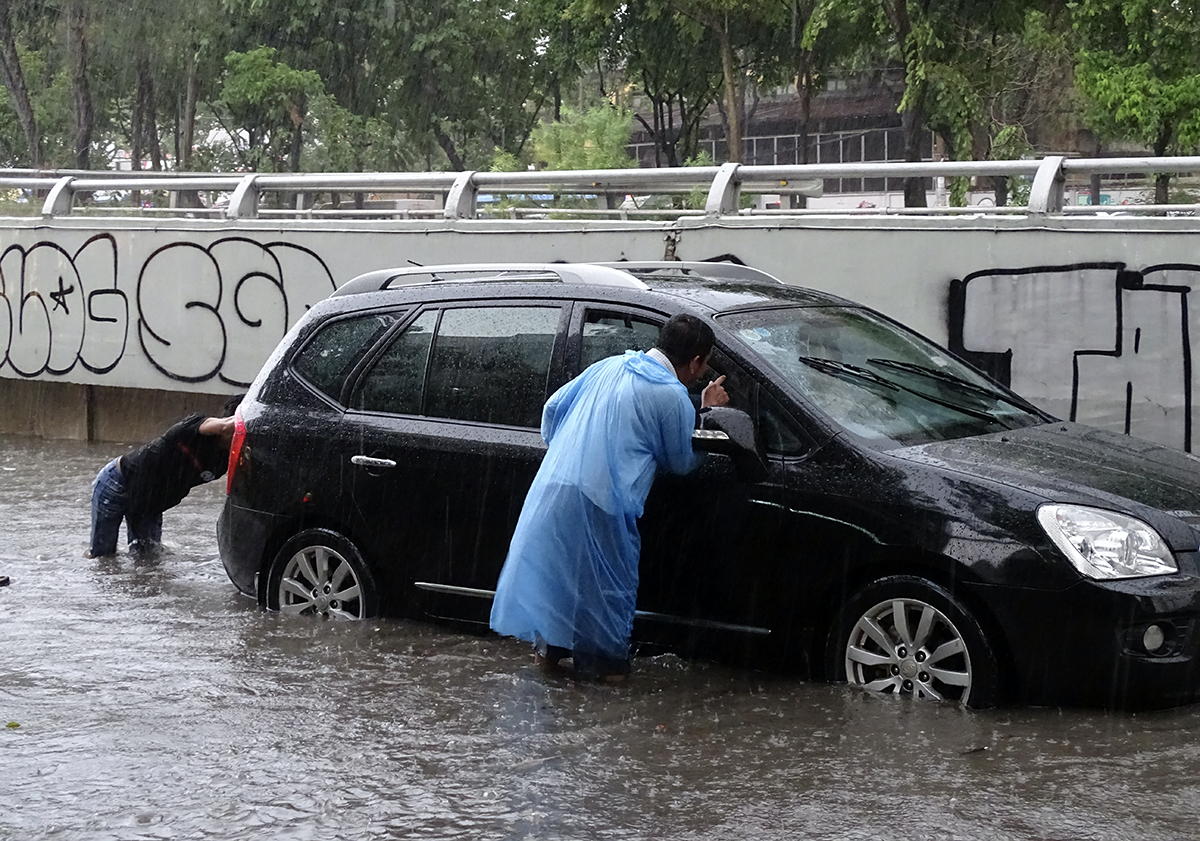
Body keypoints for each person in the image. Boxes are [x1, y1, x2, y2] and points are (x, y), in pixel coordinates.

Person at [490, 314, 728, 682]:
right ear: (696, 361)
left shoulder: (609, 365)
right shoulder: (671, 395)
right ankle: (606, 680)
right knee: (607, 597)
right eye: (704, 364)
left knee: (559, 588)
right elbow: (682, 460)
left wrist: (572, 452)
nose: (701, 373)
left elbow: (553, 408)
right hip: (604, 506)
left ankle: (549, 669)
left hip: (555, 490)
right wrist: (708, 411)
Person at [86, 394, 243, 558]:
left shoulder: (226, 459)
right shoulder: (195, 424)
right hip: (117, 484)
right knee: (102, 556)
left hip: (151, 503)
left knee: (147, 559)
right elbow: (225, 427)